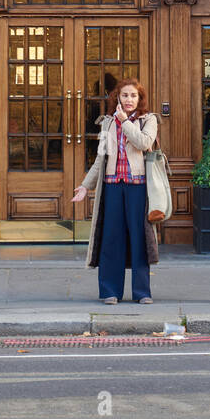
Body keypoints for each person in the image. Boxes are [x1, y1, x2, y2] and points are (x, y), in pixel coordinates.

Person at [72, 78, 159, 304]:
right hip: (112, 186)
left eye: (133, 96)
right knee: (112, 238)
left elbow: (143, 143)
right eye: (124, 95)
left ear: (140, 99)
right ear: (117, 98)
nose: (129, 100)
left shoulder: (148, 120)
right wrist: (85, 186)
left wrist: (125, 122)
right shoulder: (107, 123)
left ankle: (142, 292)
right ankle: (110, 291)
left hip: (138, 187)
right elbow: (100, 158)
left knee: (139, 238)